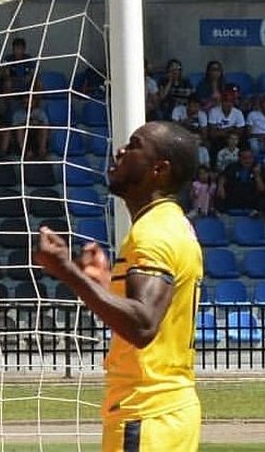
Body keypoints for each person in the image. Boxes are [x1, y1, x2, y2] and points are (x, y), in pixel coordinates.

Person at [34, 121, 202, 451]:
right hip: (166, 411)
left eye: (135, 145)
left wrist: (67, 271)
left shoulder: (153, 233)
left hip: (147, 413)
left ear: (159, 169)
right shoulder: (169, 224)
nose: (121, 150)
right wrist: (106, 284)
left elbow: (143, 325)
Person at [217, 148, 264, 214]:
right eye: (244, 158)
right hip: (234, 196)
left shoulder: (257, 168)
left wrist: (257, 176)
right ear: (239, 158)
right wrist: (221, 186)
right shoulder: (232, 166)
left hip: (251, 198)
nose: (248, 161)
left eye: (250, 158)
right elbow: (223, 176)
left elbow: (261, 189)